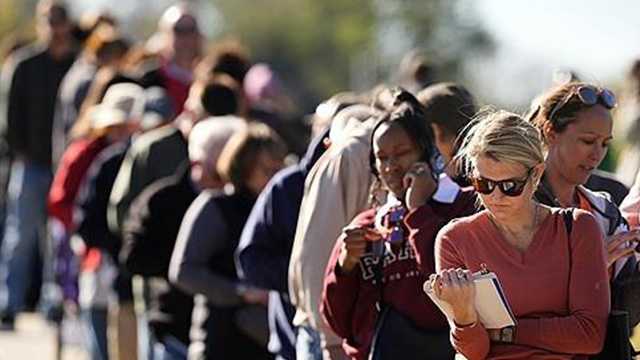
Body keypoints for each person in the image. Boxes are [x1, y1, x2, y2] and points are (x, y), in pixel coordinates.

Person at [430, 110, 610, 359]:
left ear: (536, 174)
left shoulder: (577, 227)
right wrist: (464, 319)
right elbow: (474, 352)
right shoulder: (455, 239)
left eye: (510, 186)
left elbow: (589, 336)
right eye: (484, 184)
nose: (495, 197)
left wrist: (505, 332)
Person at [321, 92, 476, 360]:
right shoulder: (367, 225)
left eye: (402, 153)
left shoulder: (464, 207)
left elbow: (446, 284)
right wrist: (345, 267)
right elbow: (339, 323)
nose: (391, 166)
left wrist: (418, 212)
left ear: (427, 152)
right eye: (382, 158)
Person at [120, 117, 244, 359]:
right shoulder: (161, 200)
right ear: (199, 161)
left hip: (229, 336)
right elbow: (133, 256)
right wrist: (189, 269)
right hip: (174, 327)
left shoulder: (244, 202)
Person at [170, 122, 286, 359]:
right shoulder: (215, 207)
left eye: (279, 171)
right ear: (244, 168)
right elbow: (184, 271)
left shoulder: (279, 210)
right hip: (219, 342)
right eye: (266, 171)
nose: (275, 179)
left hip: (265, 343)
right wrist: (241, 292)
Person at [0, 0, 78, 329]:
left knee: (57, 238)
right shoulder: (24, 64)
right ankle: (9, 303)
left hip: (65, 166)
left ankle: (53, 302)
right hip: (31, 164)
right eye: (50, 21)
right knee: (21, 235)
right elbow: (9, 118)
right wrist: (24, 152)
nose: (55, 28)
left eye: (60, 21)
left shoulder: (76, 65)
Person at [235, 116, 330, 360]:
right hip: (293, 336)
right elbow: (250, 259)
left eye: (278, 165)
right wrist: (306, 278)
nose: (273, 173)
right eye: (266, 169)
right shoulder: (287, 188)